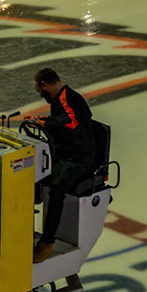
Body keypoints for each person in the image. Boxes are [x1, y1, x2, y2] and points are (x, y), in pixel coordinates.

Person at [25, 67, 95, 260]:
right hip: (65, 154)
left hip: (79, 159)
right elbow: (64, 121)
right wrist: (48, 120)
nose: (41, 95)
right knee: (29, 173)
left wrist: (47, 124)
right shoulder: (60, 100)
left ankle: (47, 242)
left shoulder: (68, 99)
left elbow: (72, 126)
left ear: (44, 85)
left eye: (39, 91)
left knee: (57, 191)